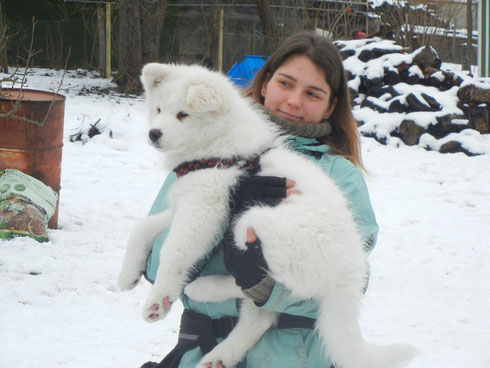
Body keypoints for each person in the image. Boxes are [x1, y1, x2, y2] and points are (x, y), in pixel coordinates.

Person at [140, 31, 378, 368]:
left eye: (313, 93)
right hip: (202, 350)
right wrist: (222, 215)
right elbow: (154, 267)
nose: (294, 101)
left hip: (293, 355)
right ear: (264, 83)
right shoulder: (195, 147)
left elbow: (350, 279)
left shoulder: (340, 175)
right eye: (285, 83)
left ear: (331, 106)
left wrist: (262, 284)